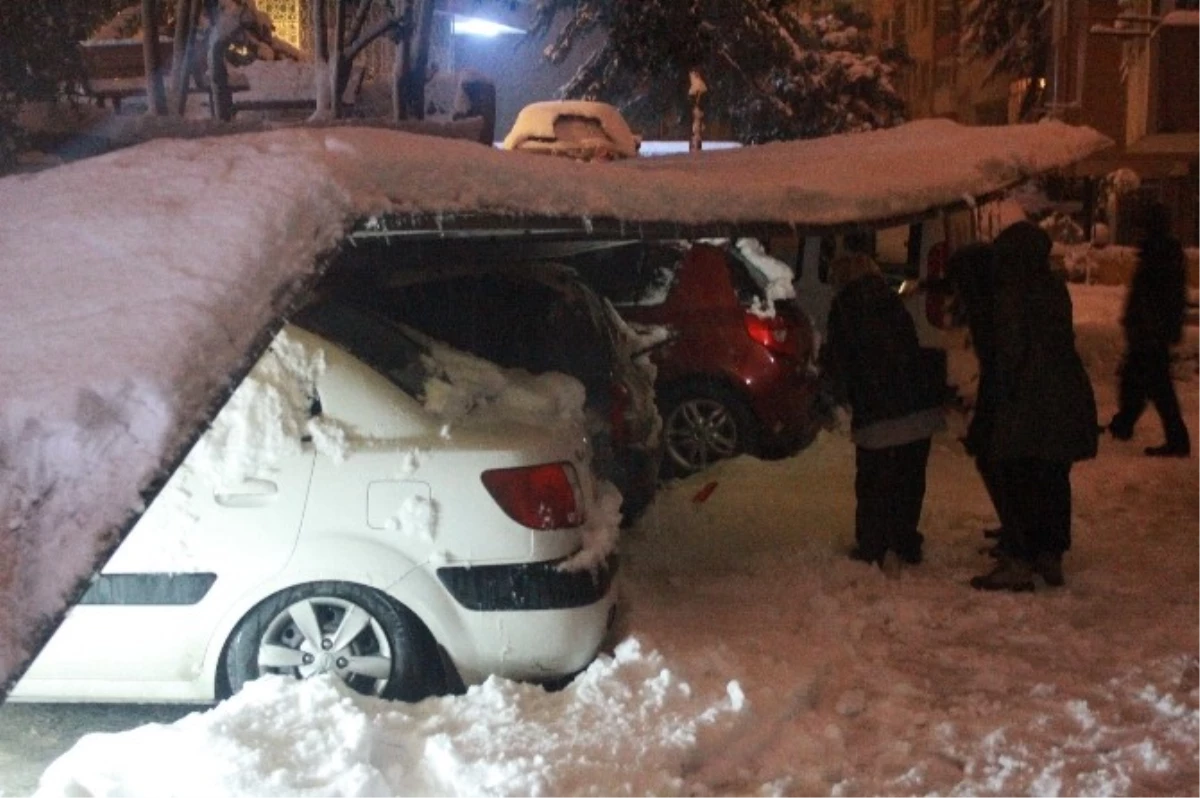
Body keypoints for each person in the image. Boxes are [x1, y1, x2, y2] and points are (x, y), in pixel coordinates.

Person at [971, 222, 1098, 592]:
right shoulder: (1052, 286)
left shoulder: (1013, 291)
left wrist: (1000, 396)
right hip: (1064, 391)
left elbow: (1010, 351)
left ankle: (1020, 559)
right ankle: (1050, 552)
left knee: (1017, 474)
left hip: (1029, 398)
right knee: (1052, 476)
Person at [819, 251, 946, 567]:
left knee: (874, 481)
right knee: (909, 478)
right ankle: (905, 541)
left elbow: (840, 362)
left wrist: (830, 399)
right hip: (918, 405)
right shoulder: (891, 303)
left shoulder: (845, 309)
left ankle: (873, 545)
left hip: (879, 409)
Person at [1107, 201, 1191, 457]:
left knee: (1156, 386)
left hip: (1150, 332)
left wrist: (1148, 327)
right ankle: (1124, 425)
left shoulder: (1160, 253)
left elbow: (1160, 297)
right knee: (1139, 381)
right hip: (1150, 331)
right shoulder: (1160, 251)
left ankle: (1176, 440)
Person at [945, 242, 1012, 551]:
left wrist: (983, 415)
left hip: (1012, 399)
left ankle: (1018, 538)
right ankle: (1015, 529)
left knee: (998, 461)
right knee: (993, 460)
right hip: (1009, 395)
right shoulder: (994, 298)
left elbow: (999, 368)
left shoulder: (991, 310)